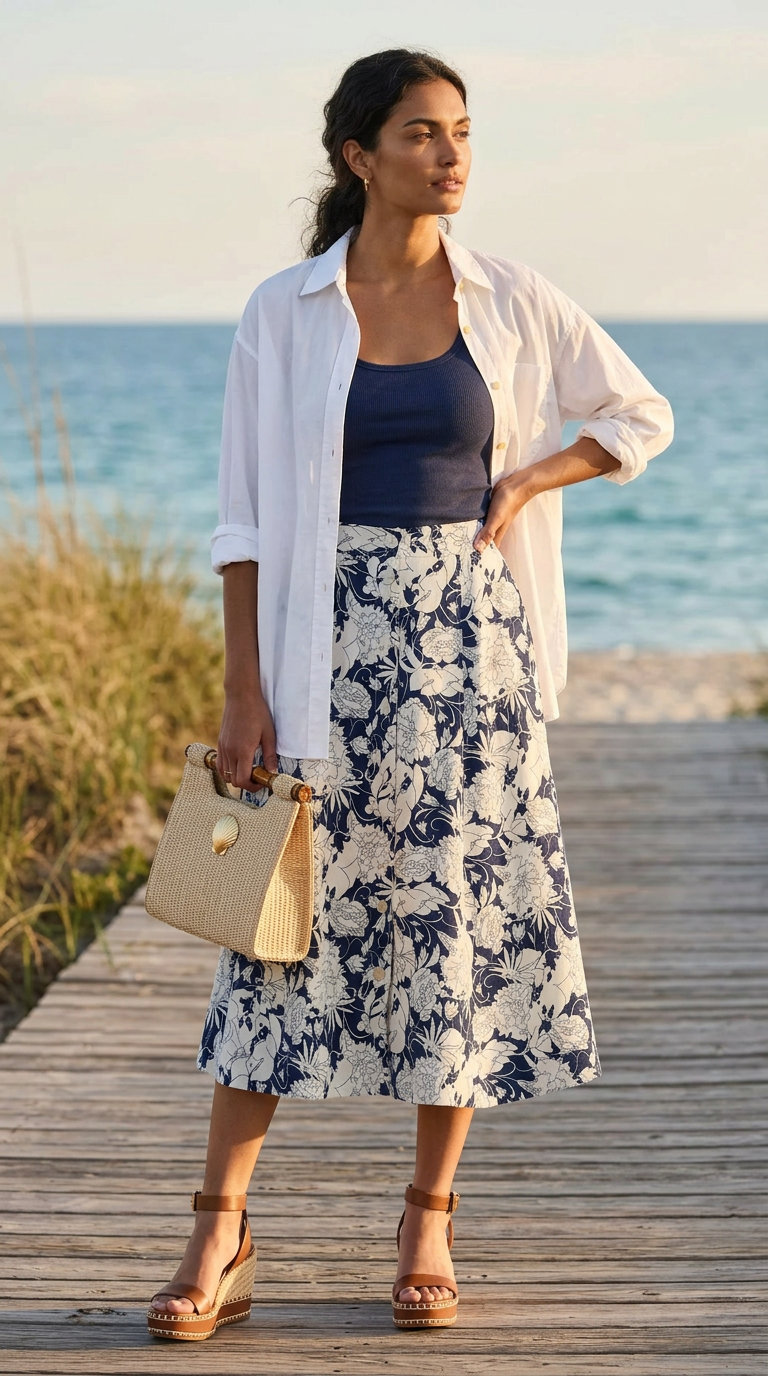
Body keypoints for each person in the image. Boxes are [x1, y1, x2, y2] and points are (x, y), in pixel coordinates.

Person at [147, 47, 674, 1340]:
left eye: (463, 133)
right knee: (273, 937)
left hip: (473, 659)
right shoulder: (285, 311)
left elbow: (639, 414)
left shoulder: (512, 297)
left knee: (460, 926)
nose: (451, 156)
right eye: (424, 134)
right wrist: (243, 694)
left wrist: (532, 477)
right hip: (318, 653)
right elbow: (242, 521)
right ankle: (221, 1231)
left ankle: (428, 1219)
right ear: (358, 155)